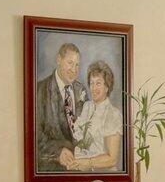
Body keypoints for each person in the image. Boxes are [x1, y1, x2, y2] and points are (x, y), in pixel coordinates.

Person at [61, 61, 124, 172]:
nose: (93, 88)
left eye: (98, 83)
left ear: (107, 87)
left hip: (103, 174)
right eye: (91, 83)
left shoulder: (113, 114)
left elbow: (112, 159)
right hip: (80, 169)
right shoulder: (87, 106)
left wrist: (87, 163)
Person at [33, 42, 86, 173]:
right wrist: (57, 153)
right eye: (70, 63)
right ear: (58, 60)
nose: (74, 70)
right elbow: (34, 136)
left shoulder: (81, 90)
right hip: (51, 172)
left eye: (77, 65)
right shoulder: (39, 91)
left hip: (79, 170)